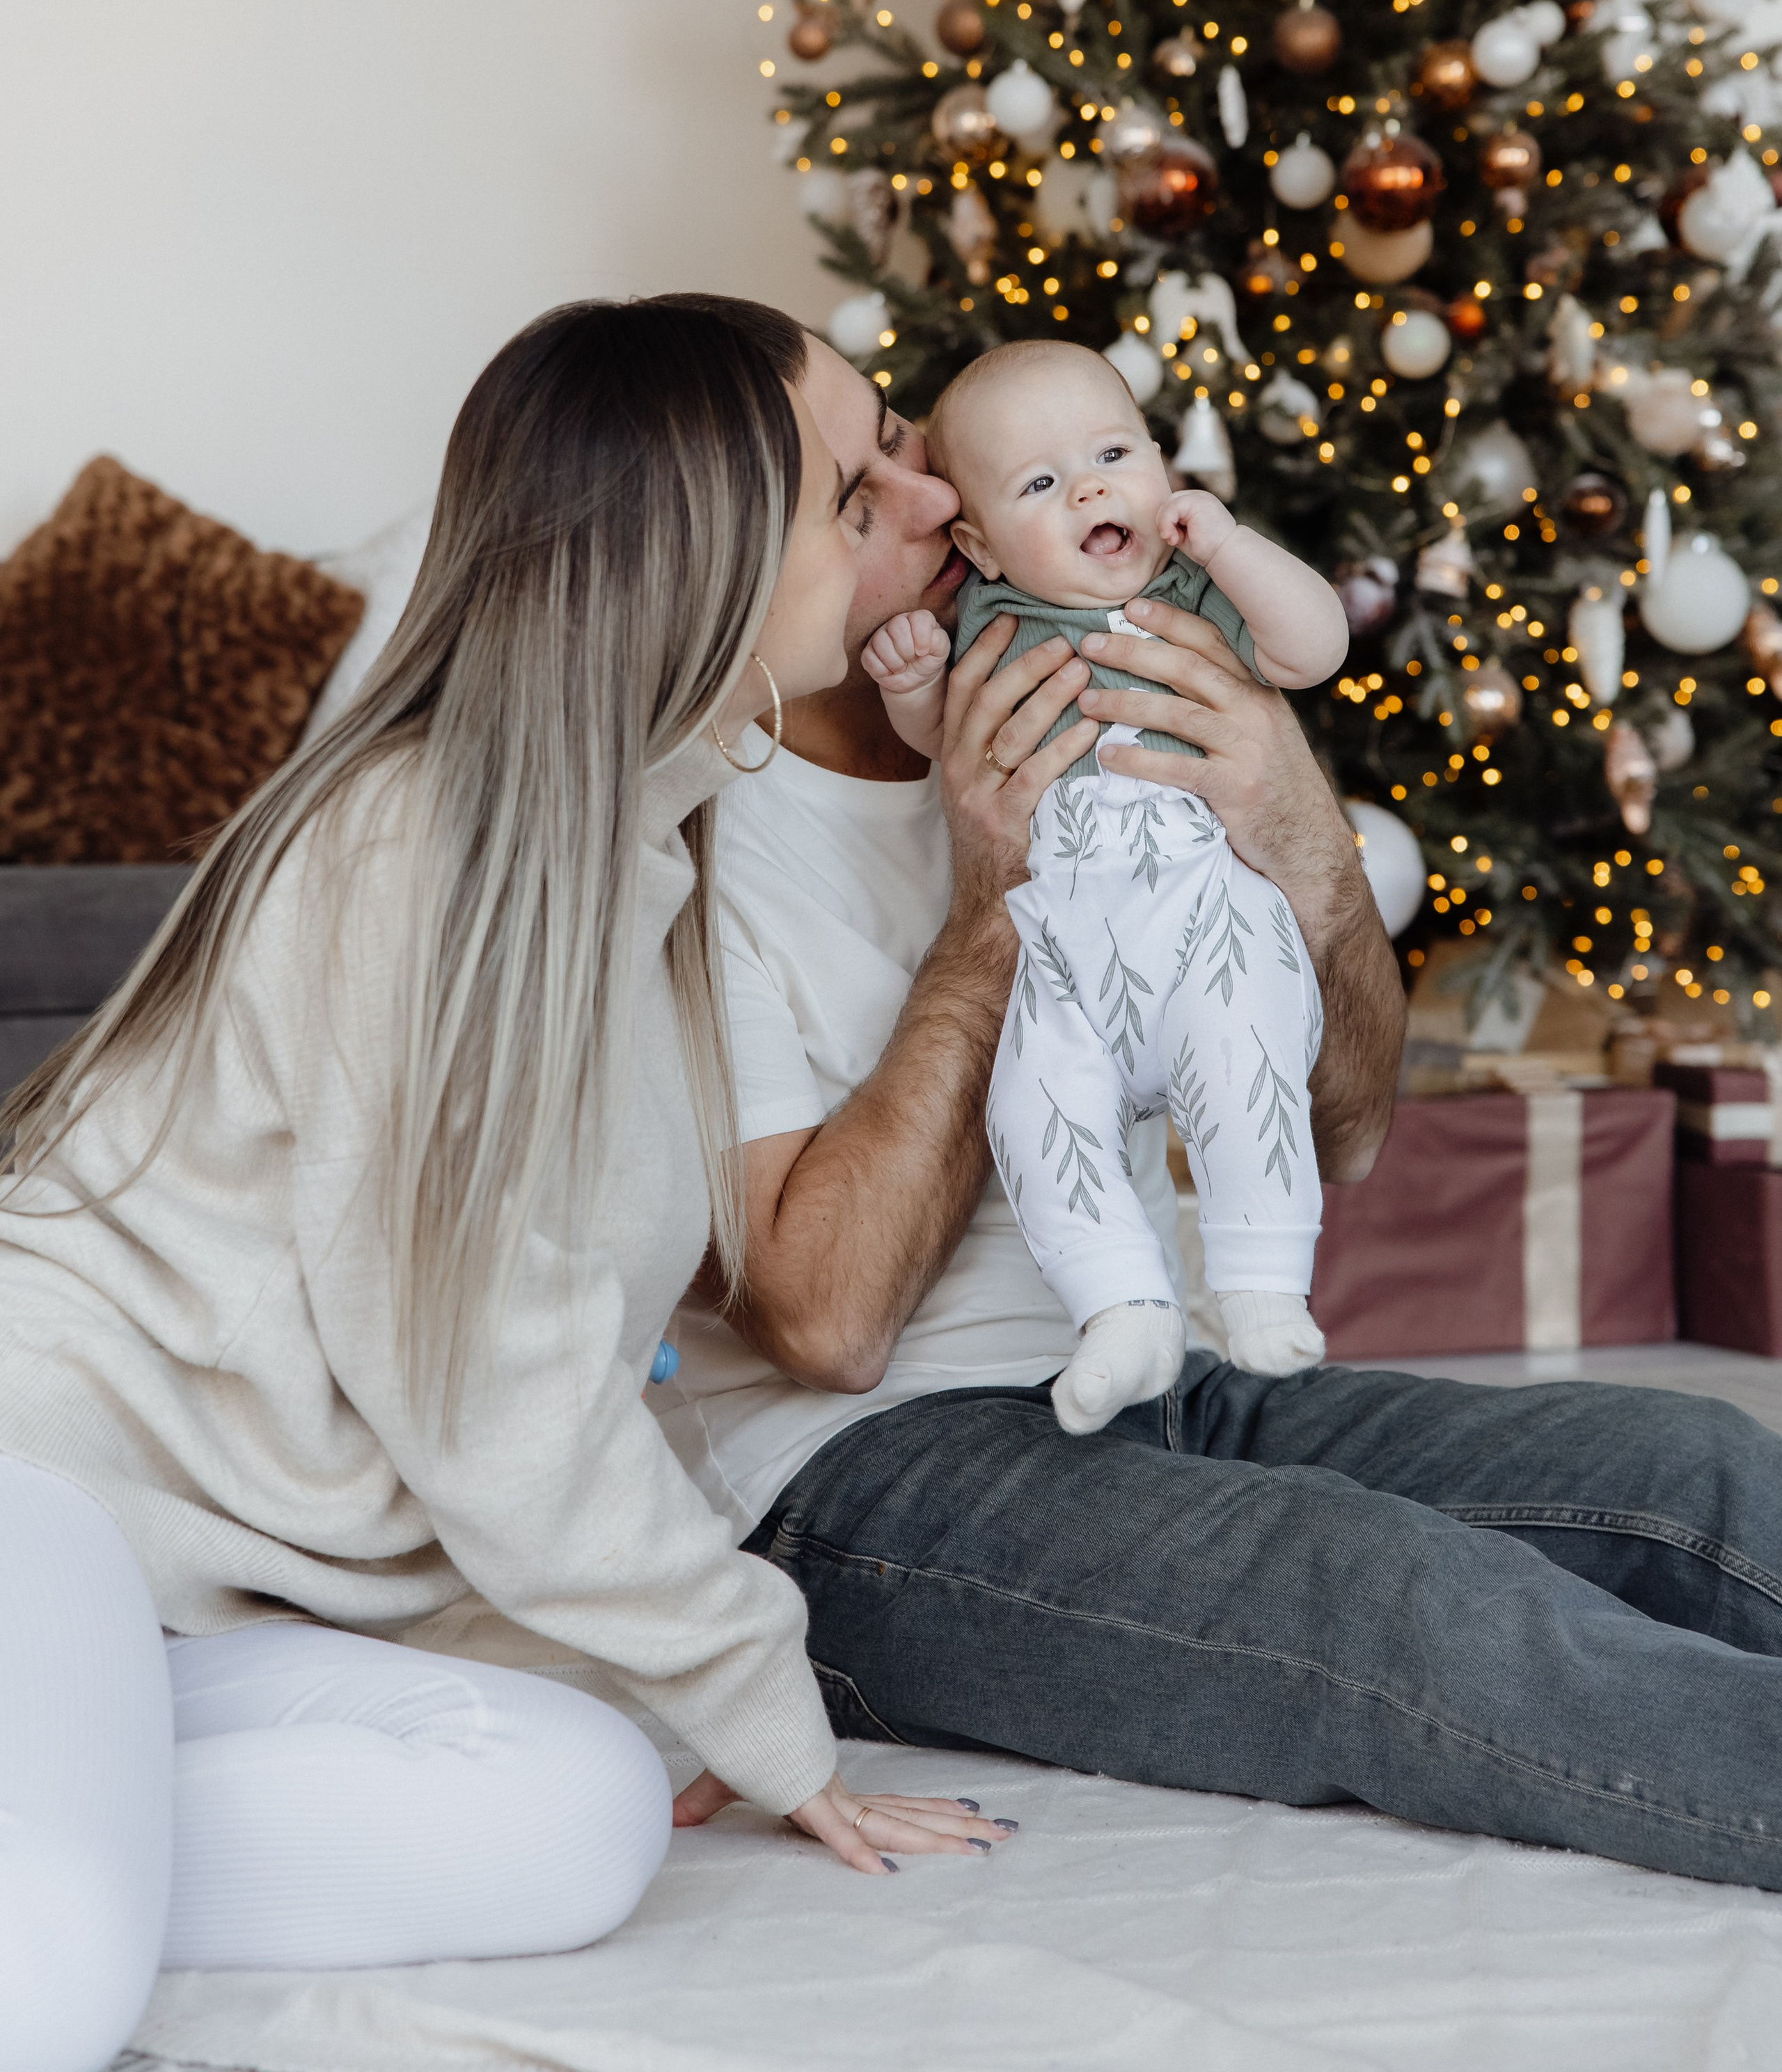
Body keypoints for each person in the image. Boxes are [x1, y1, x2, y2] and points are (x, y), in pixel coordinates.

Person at [657, 294, 1782, 1897]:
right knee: (1399, 1595)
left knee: (1697, 1471)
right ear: (730, 558)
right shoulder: (698, 838)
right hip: (866, 1485)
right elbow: (822, 1326)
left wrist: (1300, 830)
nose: (925, 494)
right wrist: (989, 906)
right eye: (862, 489)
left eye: (906, 440)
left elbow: (1346, 1129)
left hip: (1164, 1379)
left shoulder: (1128, 679)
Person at [0, 301, 1007, 2072]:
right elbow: (491, 1386)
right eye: (851, 492)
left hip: (216, 1594)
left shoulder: (640, 850)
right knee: (55, 1974)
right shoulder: (420, 842)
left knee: (581, 1815)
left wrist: (668, 1702)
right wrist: (775, 1718)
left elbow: (587, 1387)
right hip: (46, 1504)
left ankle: (74, 1803)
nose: (910, 512)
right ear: (694, 550)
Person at [861, 340, 1347, 1430]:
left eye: (1114, 453)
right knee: (1034, 1114)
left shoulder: (1194, 588)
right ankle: (1122, 1306)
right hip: (1061, 950)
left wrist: (1231, 546)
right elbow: (945, 742)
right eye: (1040, 484)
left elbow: (1314, 648)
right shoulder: (989, 619)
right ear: (979, 546)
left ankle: (1260, 1278)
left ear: (1162, 469)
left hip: (1206, 919)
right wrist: (912, 687)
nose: (1089, 487)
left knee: (1246, 1068)